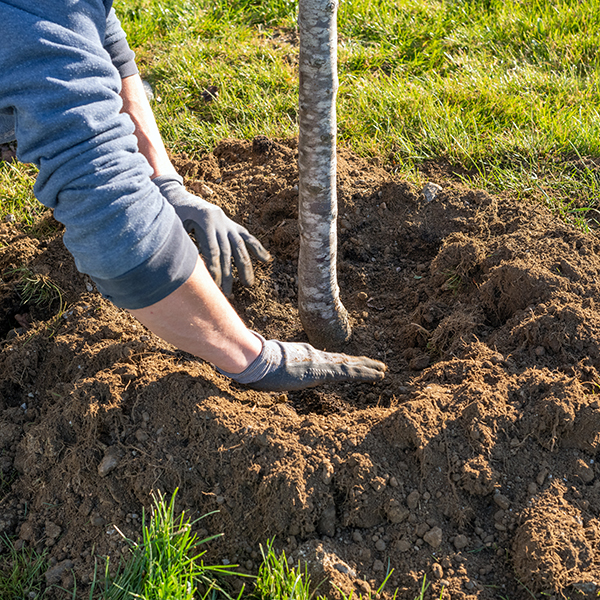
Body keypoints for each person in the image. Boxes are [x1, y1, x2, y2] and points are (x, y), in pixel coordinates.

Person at [0, 0, 386, 391]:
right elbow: (104, 203)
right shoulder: (30, 25)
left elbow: (97, 34)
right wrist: (251, 358)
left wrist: (164, 184)